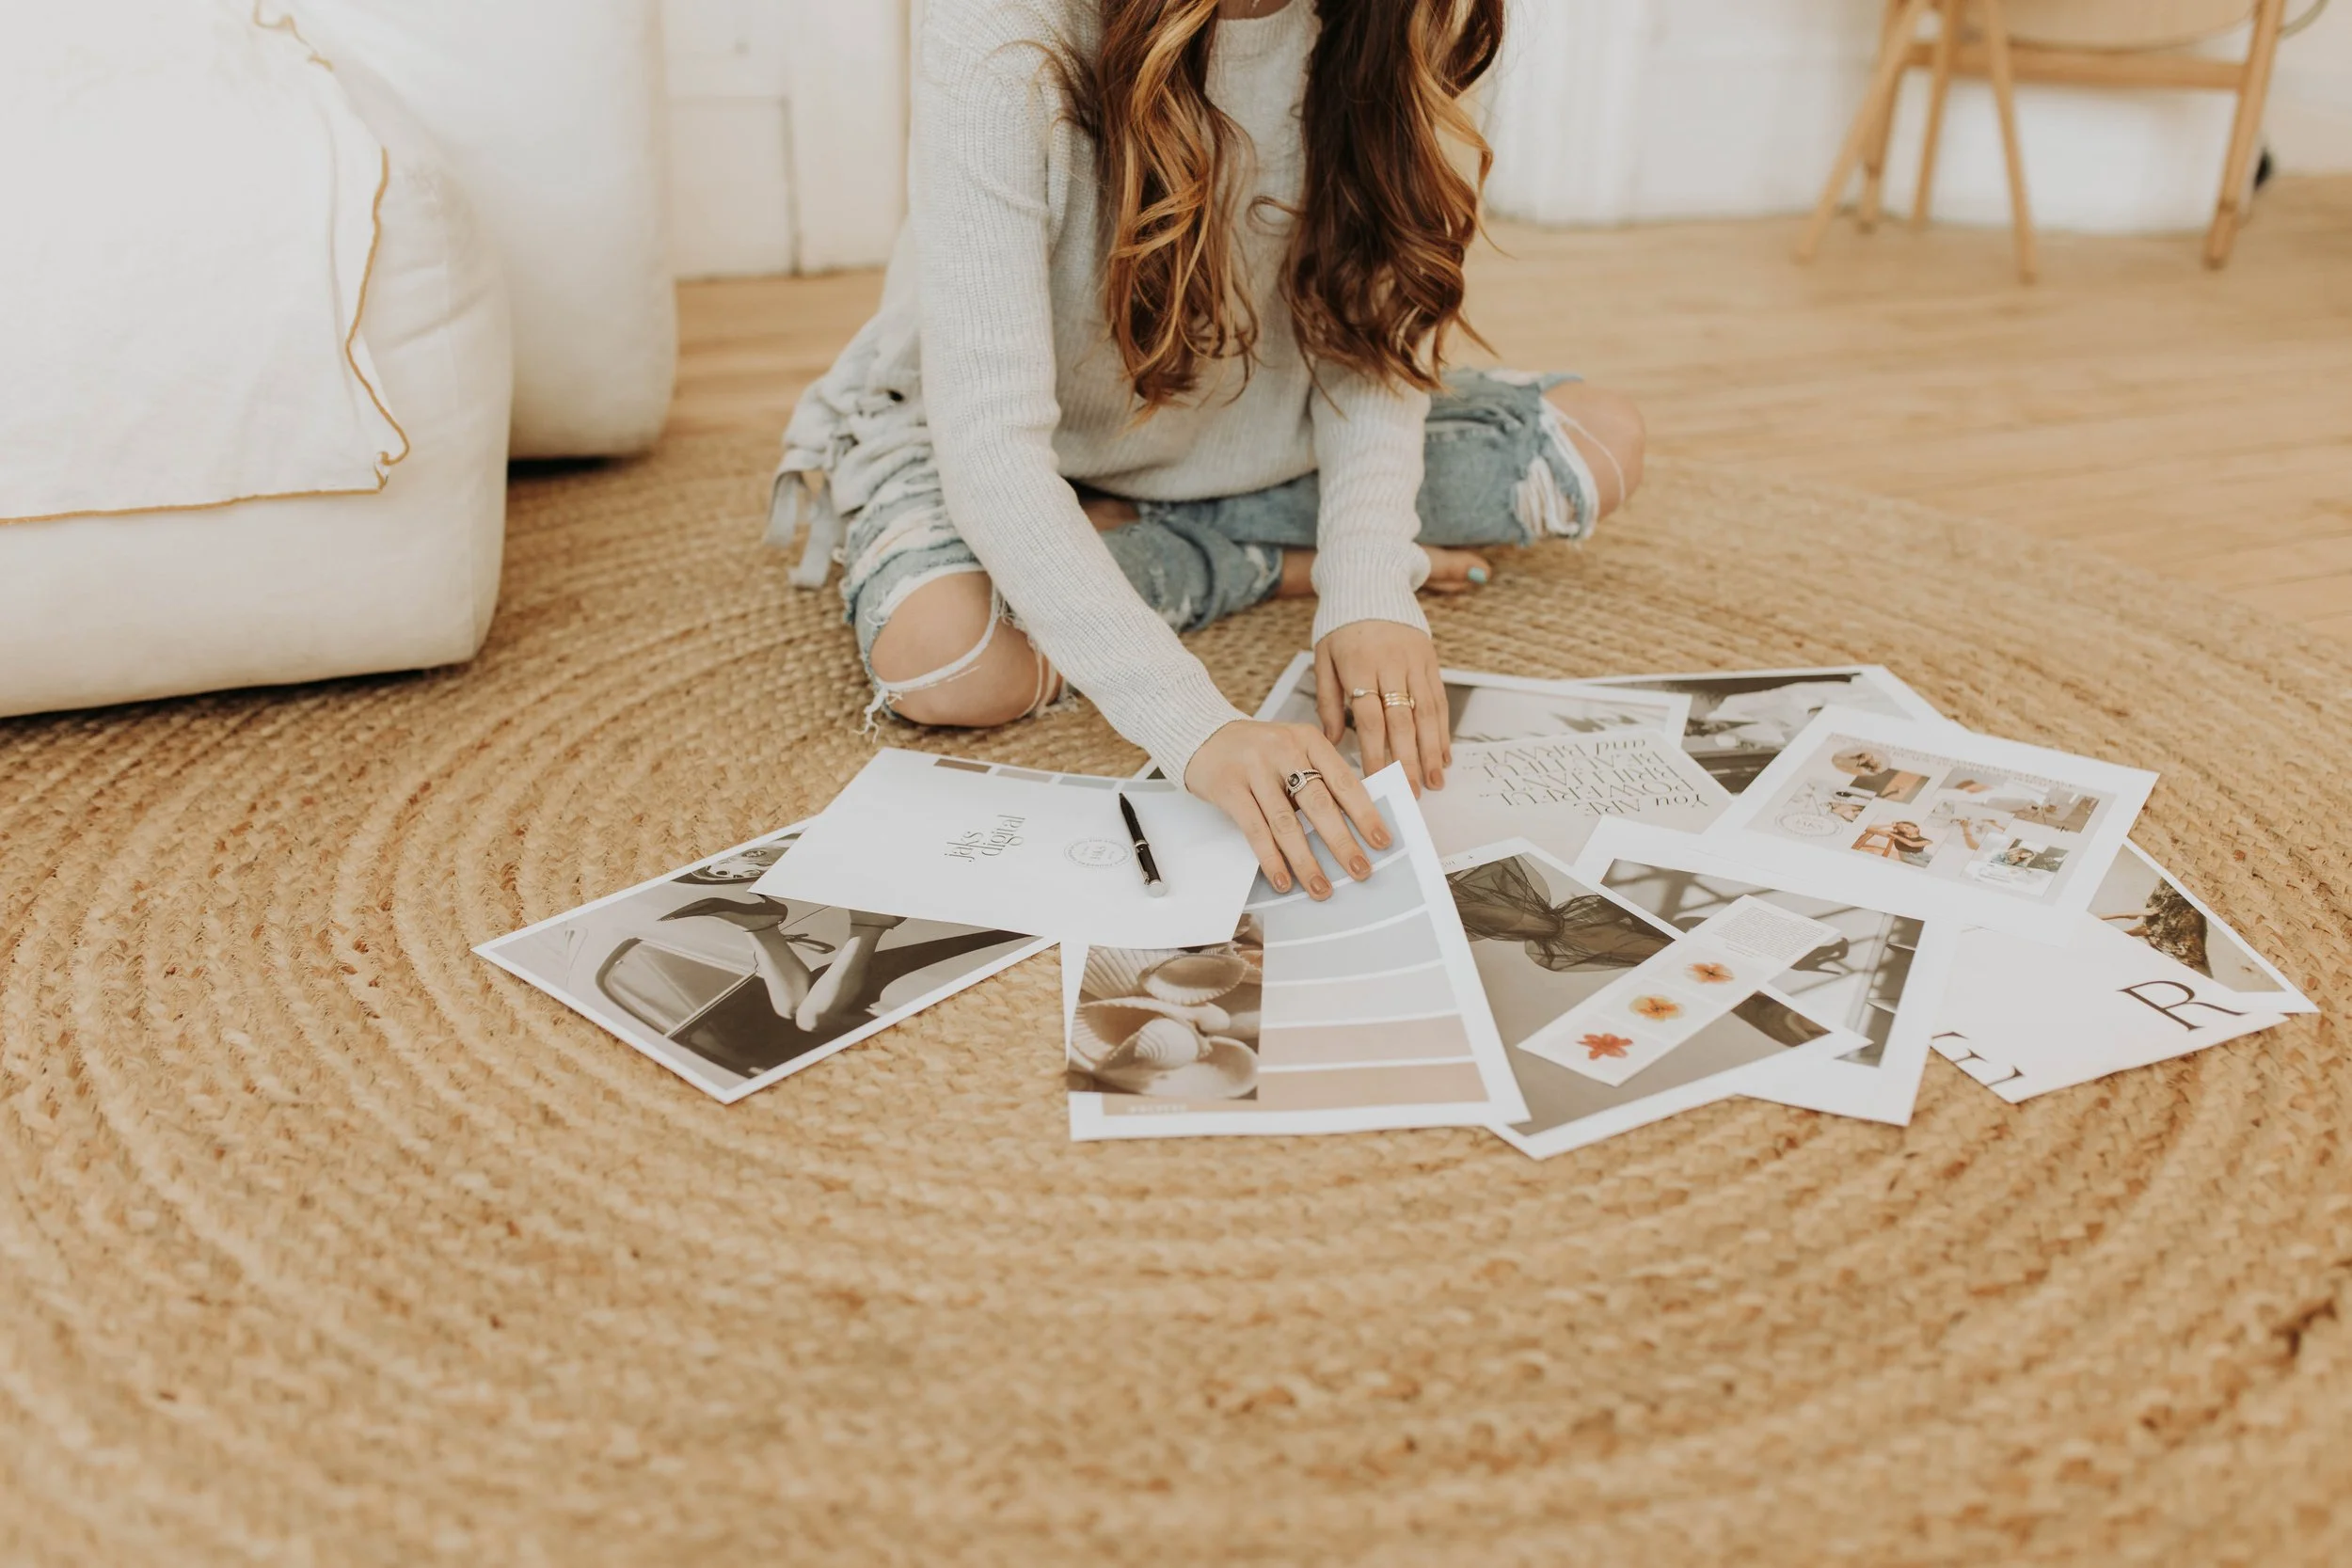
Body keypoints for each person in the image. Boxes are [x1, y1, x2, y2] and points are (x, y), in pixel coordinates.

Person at [772, 0, 1647, 904]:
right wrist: (1198, 730)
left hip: (1255, 424)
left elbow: (1371, 338)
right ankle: (1251, 560)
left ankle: (1150, 537)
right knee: (945, 657)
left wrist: (1369, 586)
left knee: (1596, 445)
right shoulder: (996, 25)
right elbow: (990, 445)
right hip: (988, 432)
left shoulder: (1411, 18)